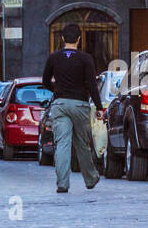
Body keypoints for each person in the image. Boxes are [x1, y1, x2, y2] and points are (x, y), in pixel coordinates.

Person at [41, 22, 103, 194]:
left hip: (60, 104)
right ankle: (90, 178)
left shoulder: (54, 57)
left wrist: (57, 89)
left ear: (62, 38)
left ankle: (62, 183)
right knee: (82, 143)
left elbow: (45, 81)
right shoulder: (85, 58)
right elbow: (92, 85)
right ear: (79, 39)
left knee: (62, 143)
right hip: (80, 104)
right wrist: (99, 107)